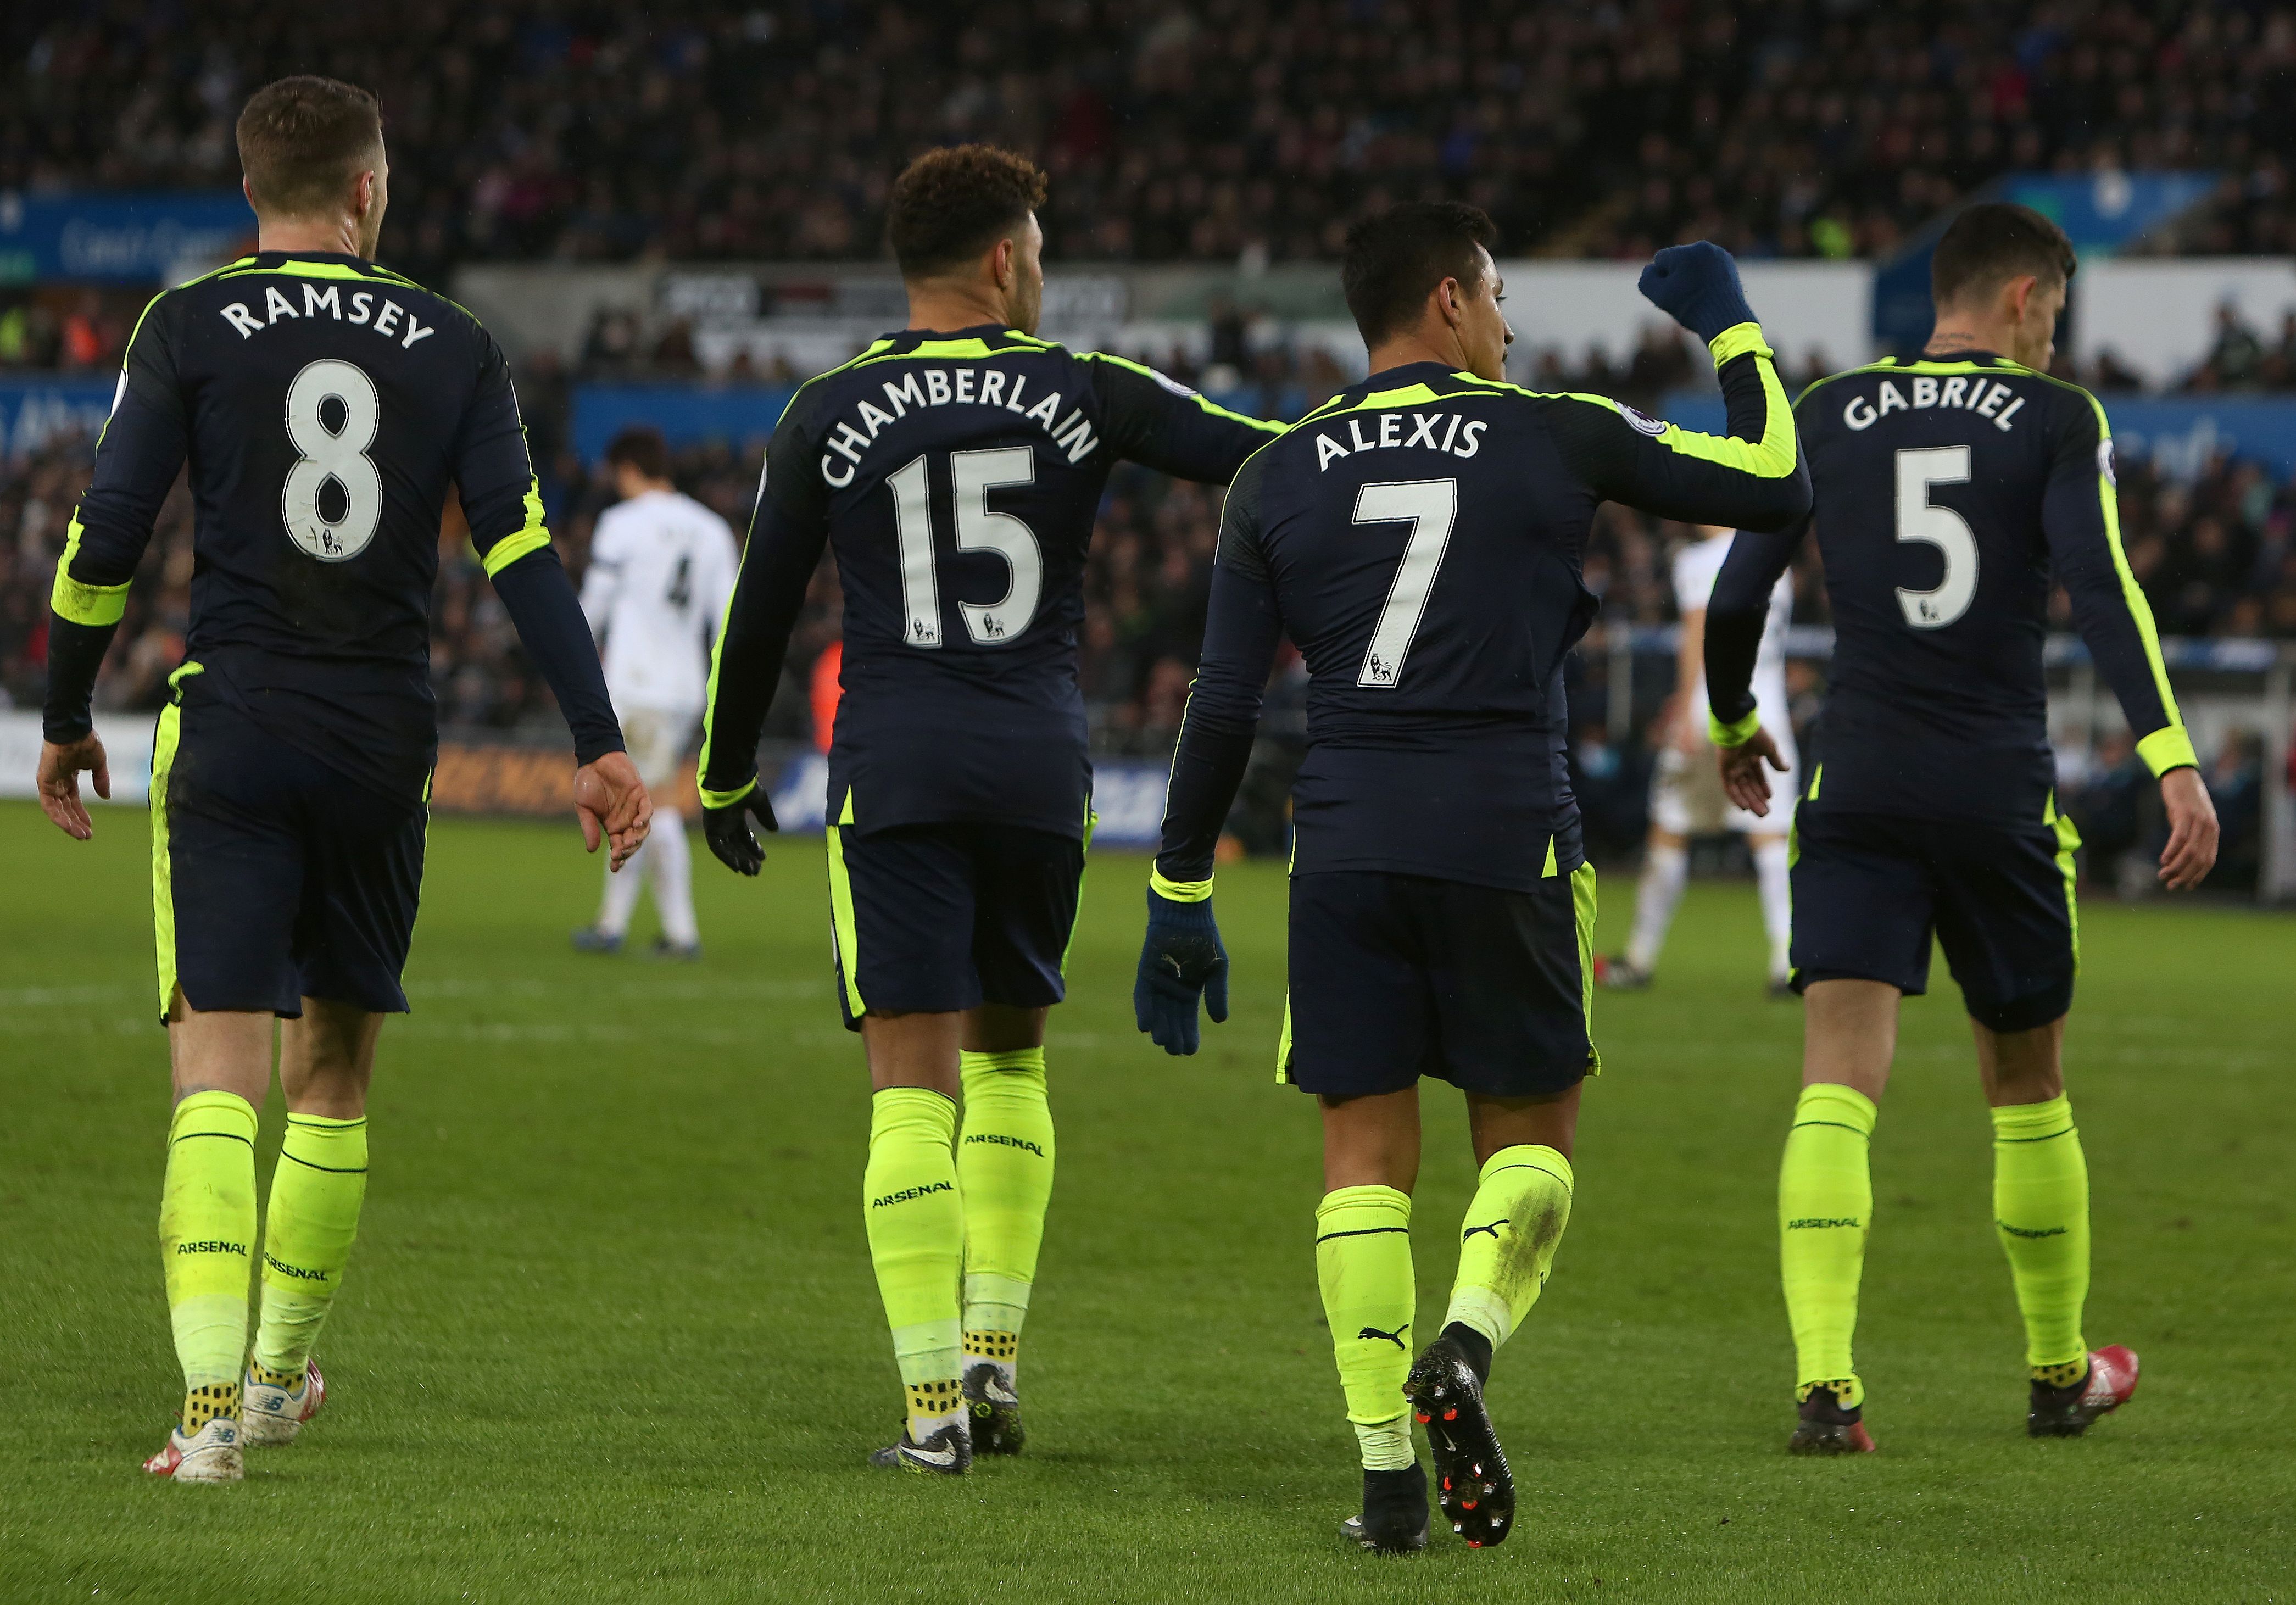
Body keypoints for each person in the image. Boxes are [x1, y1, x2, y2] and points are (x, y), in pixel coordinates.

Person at [1135, 204, 1809, 1553]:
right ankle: (1463, 1343)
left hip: (1343, 838)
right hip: (1507, 826)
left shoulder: (1279, 469)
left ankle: (1387, 1484)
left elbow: (1220, 702)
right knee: (1536, 1145)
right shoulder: (1556, 428)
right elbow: (1779, 481)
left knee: (1360, 1163)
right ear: (1446, 300)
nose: (1510, 322)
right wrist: (1730, 321)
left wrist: (1179, 890)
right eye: (1497, 295)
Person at [34, 76, 650, 1484]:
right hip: (384, 733)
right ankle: (269, 1381)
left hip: (236, 718)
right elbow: (519, 554)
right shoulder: (456, 341)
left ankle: (202, 1420)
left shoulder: (185, 321)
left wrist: (67, 712)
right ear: (369, 190)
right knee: (336, 1071)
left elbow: (108, 530)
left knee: (214, 1065)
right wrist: (595, 736)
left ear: (253, 192)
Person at [695, 145, 1281, 1475]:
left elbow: (763, 609)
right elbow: (1259, 456)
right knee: (1012, 1056)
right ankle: (994, 1359)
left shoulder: (830, 407)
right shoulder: (1087, 389)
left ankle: (928, 1414)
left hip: (896, 761)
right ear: (1008, 260)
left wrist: (728, 773)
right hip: (1039, 765)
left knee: (909, 1078)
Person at [1703, 202, 2219, 1456]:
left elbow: (1737, 592)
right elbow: (2101, 590)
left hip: (1859, 773)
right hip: (1995, 785)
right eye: (2055, 310)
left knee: (1837, 1081)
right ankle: (2056, 1372)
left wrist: (1731, 727)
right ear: (2024, 298)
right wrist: (2172, 760)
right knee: (2027, 1083)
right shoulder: (2055, 418)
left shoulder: (1826, 409)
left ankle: (1827, 1389)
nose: (2056, 334)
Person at [1600, 521, 1797, 994]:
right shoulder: (1774, 553)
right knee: (1771, 839)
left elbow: (1698, 635)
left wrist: (1685, 707)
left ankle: (1640, 957)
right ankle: (1786, 962)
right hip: (1767, 708)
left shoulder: (1699, 559)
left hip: (1711, 709)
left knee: (1670, 830)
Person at [572, 426, 740, 959]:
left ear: (627, 470)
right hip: (686, 687)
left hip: (638, 683)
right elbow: (729, 618)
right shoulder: (712, 529)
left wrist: (573, 670)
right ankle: (612, 923)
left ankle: (680, 933)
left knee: (656, 805)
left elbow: (591, 609)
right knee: (639, 796)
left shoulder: (622, 524)